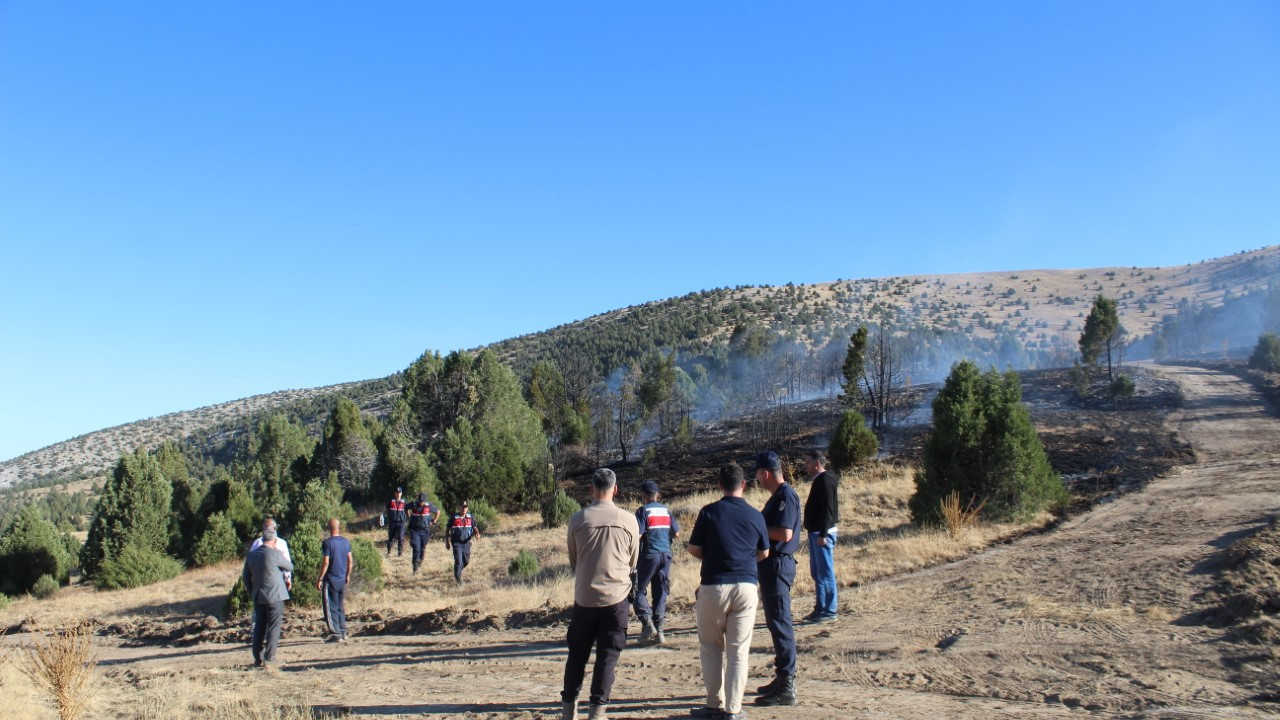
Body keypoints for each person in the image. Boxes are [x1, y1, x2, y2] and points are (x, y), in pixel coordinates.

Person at [687, 463, 769, 720]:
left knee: (711, 647)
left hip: (713, 586)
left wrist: (709, 555)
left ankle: (713, 704)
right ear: (743, 485)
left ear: (720, 485)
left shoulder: (709, 512)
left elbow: (693, 548)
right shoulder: (756, 515)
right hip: (745, 587)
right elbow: (764, 552)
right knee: (738, 651)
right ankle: (733, 710)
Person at [560, 469, 640, 720]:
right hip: (616, 599)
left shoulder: (577, 519)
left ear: (591, 489)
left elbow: (574, 560)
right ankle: (597, 712)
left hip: (585, 597)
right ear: (615, 489)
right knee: (608, 656)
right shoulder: (629, 520)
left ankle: (568, 709)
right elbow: (632, 561)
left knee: (577, 656)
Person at [753, 451, 802, 706]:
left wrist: (758, 528)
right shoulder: (777, 497)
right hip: (772, 566)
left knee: (781, 623)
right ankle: (782, 675)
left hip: (778, 566)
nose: (757, 479)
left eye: (758, 474)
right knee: (775, 622)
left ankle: (787, 684)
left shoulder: (786, 497)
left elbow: (784, 533)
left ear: (766, 473)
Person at [633, 478, 679, 645]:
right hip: (665, 554)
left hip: (649, 554)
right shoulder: (667, 511)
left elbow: (638, 534)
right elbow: (677, 534)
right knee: (661, 592)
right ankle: (660, 630)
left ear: (643, 496)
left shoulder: (643, 511)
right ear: (658, 495)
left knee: (638, 590)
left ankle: (647, 624)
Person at [242, 526, 294, 669]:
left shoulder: (251, 555)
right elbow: (289, 567)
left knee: (259, 626)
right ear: (274, 540)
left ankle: (257, 659)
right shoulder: (275, 554)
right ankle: (270, 658)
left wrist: (253, 590)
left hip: (259, 596)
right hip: (276, 596)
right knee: (274, 626)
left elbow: (245, 577)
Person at [802, 451, 840, 623]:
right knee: (818, 573)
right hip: (816, 533)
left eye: (808, 462)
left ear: (817, 463)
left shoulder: (825, 481)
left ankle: (830, 611)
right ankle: (820, 608)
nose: (806, 465)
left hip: (822, 534)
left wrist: (823, 534)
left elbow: (827, 509)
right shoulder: (821, 480)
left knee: (825, 573)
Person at [316, 517, 353, 643]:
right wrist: (347, 575)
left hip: (330, 579)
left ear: (328, 528)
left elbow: (326, 562)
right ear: (339, 527)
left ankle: (336, 634)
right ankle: (343, 632)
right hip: (342, 579)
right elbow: (350, 560)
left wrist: (320, 578)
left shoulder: (327, 543)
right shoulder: (345, 541)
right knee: (340, 606)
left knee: (330, 607)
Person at [248, 517, 292, 588]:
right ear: (275, 529)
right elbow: (288, 565)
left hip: (259, 585)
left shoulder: (257, 543)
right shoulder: (281, 544)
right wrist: (287, 579)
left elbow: (250, 563)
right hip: (276, 586)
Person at [445, 500, 480, 584]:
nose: (464, 509)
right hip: (456, 543)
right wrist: (447, 541)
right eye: (462, 507)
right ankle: (458, 580)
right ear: (459, 507)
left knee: (466, 561)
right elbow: (447, 529)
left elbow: (474, 527)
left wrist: (477, 534)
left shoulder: (470, 517)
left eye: (465, 507)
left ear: (467, 508)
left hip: (467, 543)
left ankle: (457, 571)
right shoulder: (454, 517)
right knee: (458, 561)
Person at [407, 492, 438, 574]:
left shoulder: (429, 506)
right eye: (420, 500)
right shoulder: (413, 504)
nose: (421, 502)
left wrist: (434, 521)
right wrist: (408, 516)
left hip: (425, 530)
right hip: (415, 530)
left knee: (422, 548)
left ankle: (420, 560)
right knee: (416, 548)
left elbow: (438, 512)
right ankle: (415, 567)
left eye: (422, 501)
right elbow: (405, 508)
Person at [386, 487, 408, 557]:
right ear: (395, 493)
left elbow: (407, 511)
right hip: (392, 522)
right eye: (397, 493)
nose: (398, 494)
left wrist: (409, 518)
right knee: (390, 538)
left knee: (401, 537)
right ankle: (389, 551)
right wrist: (385, 517)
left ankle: (399, 553)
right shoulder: (391, 501)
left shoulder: (404, 502)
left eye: (399, 493)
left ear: (401, 493)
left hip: (401, 522)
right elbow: (386, 510)